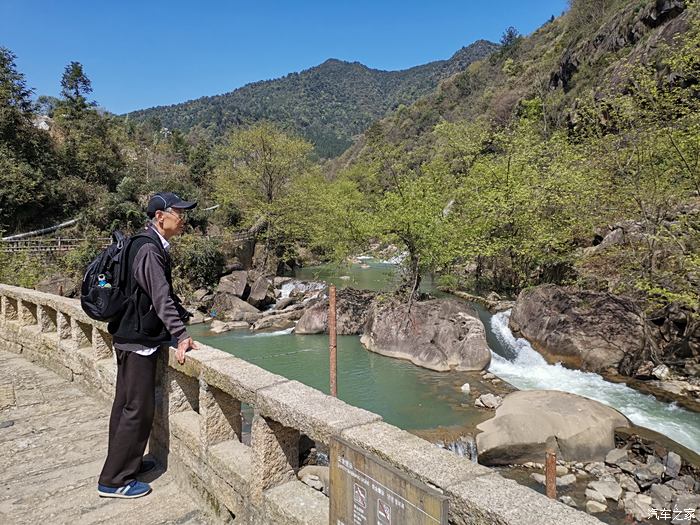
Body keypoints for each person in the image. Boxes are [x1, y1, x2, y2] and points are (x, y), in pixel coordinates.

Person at [97, 192, 199, 498]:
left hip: (130, 334)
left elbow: (159, 295)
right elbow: (160, 296)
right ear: (160, 216)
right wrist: (181, 335)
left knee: (125, 406)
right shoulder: (149, 250)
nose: (184, 220)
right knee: (137, 409)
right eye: (179, 213)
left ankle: (125, 464)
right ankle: (114, 481)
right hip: (137, 338)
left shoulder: (141, 241)